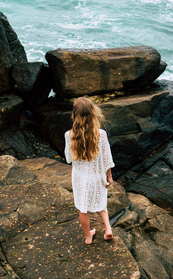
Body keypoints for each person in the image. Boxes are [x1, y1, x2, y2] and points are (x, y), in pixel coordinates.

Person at [64, 97, 115, 245]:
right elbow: (107, 158)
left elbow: (68, 158)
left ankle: (88, 236)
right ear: (93, 113)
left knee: (83, 209)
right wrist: (109, 176)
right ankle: (108, 228)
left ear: (75, 114)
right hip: (97, 176)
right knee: (100, 201)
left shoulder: (69, 135)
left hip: (80, 178)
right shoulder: (101, 134)